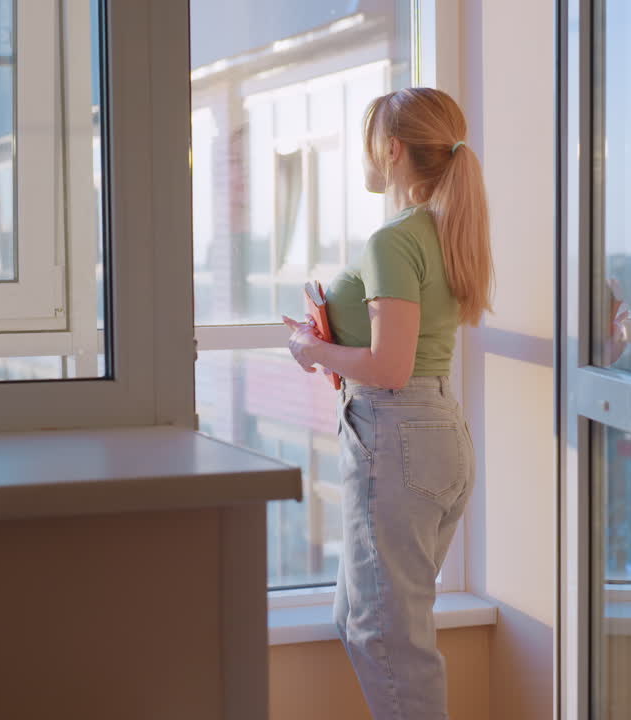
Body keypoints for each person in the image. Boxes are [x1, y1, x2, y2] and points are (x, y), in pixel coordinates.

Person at [281, 87, 491, 719]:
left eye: (370, 141)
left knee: (387, 638)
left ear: (392, 150)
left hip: (398, 441)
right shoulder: (447, 230)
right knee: (358, 618)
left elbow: (389, 367)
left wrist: (311, 351)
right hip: (437, 438)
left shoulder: (394, 240)